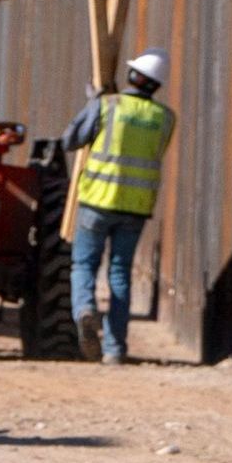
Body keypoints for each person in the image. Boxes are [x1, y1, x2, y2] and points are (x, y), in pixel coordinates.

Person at [62, 50, 175, 364]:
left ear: (134, 76)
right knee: (120, 274)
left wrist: (92, 105)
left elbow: (69, 140)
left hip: (97, 201)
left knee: (84, 266)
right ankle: (114, 350)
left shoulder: (107, 106)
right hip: (136, 208)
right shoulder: (165, 118)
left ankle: (84, 309)